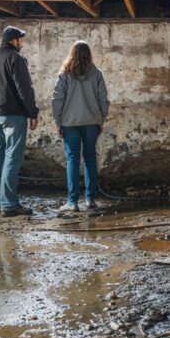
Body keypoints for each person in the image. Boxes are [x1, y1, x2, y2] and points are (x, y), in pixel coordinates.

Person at [0, 26, 38, 217]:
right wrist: (33, 112)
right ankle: (10, 205)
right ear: (14, 41)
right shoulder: (16, 58)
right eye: (21, 40)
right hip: (12, 113)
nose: (22, 43)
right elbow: (25, 89)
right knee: (12, 157)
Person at [51, 41, 109, 212]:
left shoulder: (64, 74)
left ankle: (72, 202)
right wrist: (101, 119)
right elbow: (103, 99)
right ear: (89, 54)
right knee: (90, 158)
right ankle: (90, 199)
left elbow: (56, 100)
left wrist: (58, 122)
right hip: (92, 122)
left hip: (70, 124)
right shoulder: (96, 73)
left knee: (72, 160)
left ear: (72, 54)